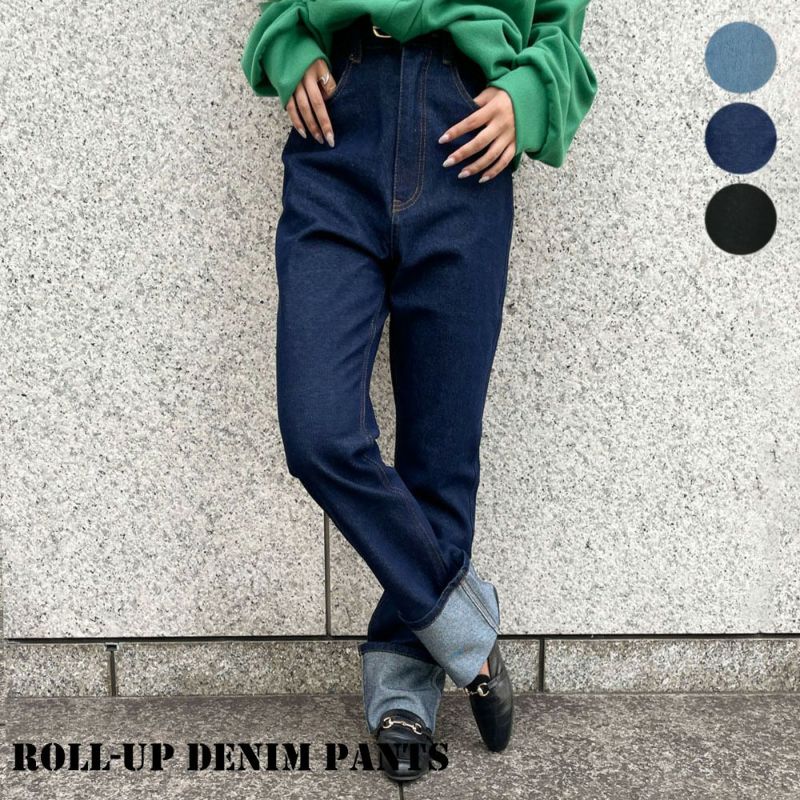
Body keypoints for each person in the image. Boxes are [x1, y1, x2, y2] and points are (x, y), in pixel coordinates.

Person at [241, 0, 597, 783]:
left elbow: (561, 29)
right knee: (320, 431)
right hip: (340, 128)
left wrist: (526, 95)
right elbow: (275, 9)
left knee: (442, 449)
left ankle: (406, 670)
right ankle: (465, 631)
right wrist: (290, 46)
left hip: (465, 135)